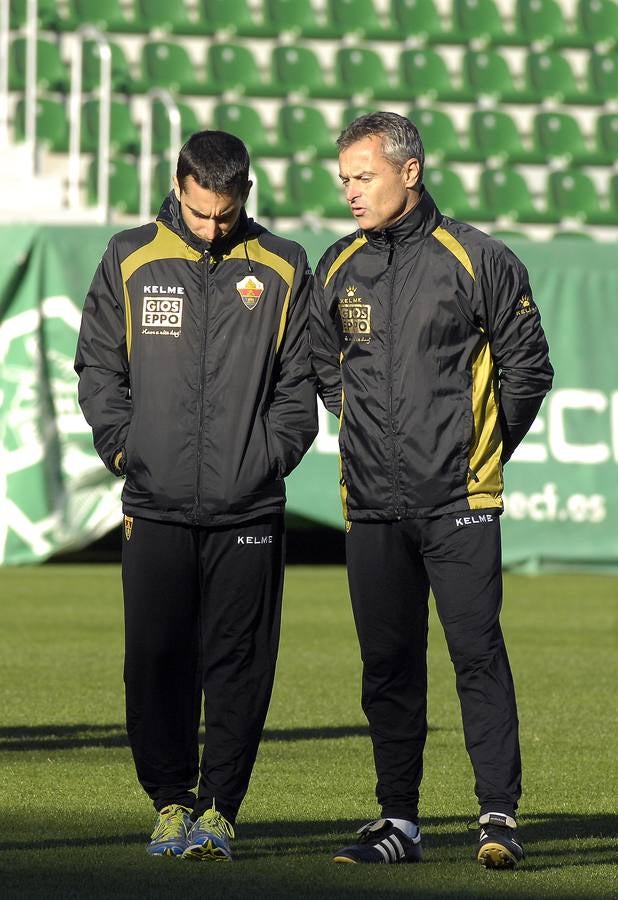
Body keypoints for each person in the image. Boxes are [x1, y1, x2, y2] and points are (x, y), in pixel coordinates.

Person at [310, 112, 553, 869]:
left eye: (362, 176)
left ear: (409, 172)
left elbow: (529, 369)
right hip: (374, 503)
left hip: (461, 500)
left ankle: (498, 817)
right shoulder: (336, 265)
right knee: (386, 664)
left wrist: (481, 451)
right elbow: (325, 368)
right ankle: (399, 824)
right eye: (343, 177)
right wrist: (365, 438)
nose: (349, 191)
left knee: (476, 653)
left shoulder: (478, 257)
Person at [75, 130, 317, 861]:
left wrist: (268, 459)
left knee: (239, 664)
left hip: (249, 508)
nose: (213, 227)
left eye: (226, 212)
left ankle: (220, 809)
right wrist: (125, 447)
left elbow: (298, 386)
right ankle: (170, 804)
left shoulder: (282, 265)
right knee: (154, 660)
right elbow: (96, 367)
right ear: (178, 186)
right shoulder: (129, 257)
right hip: (152, 502)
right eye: (201, 211)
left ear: (246, 192)